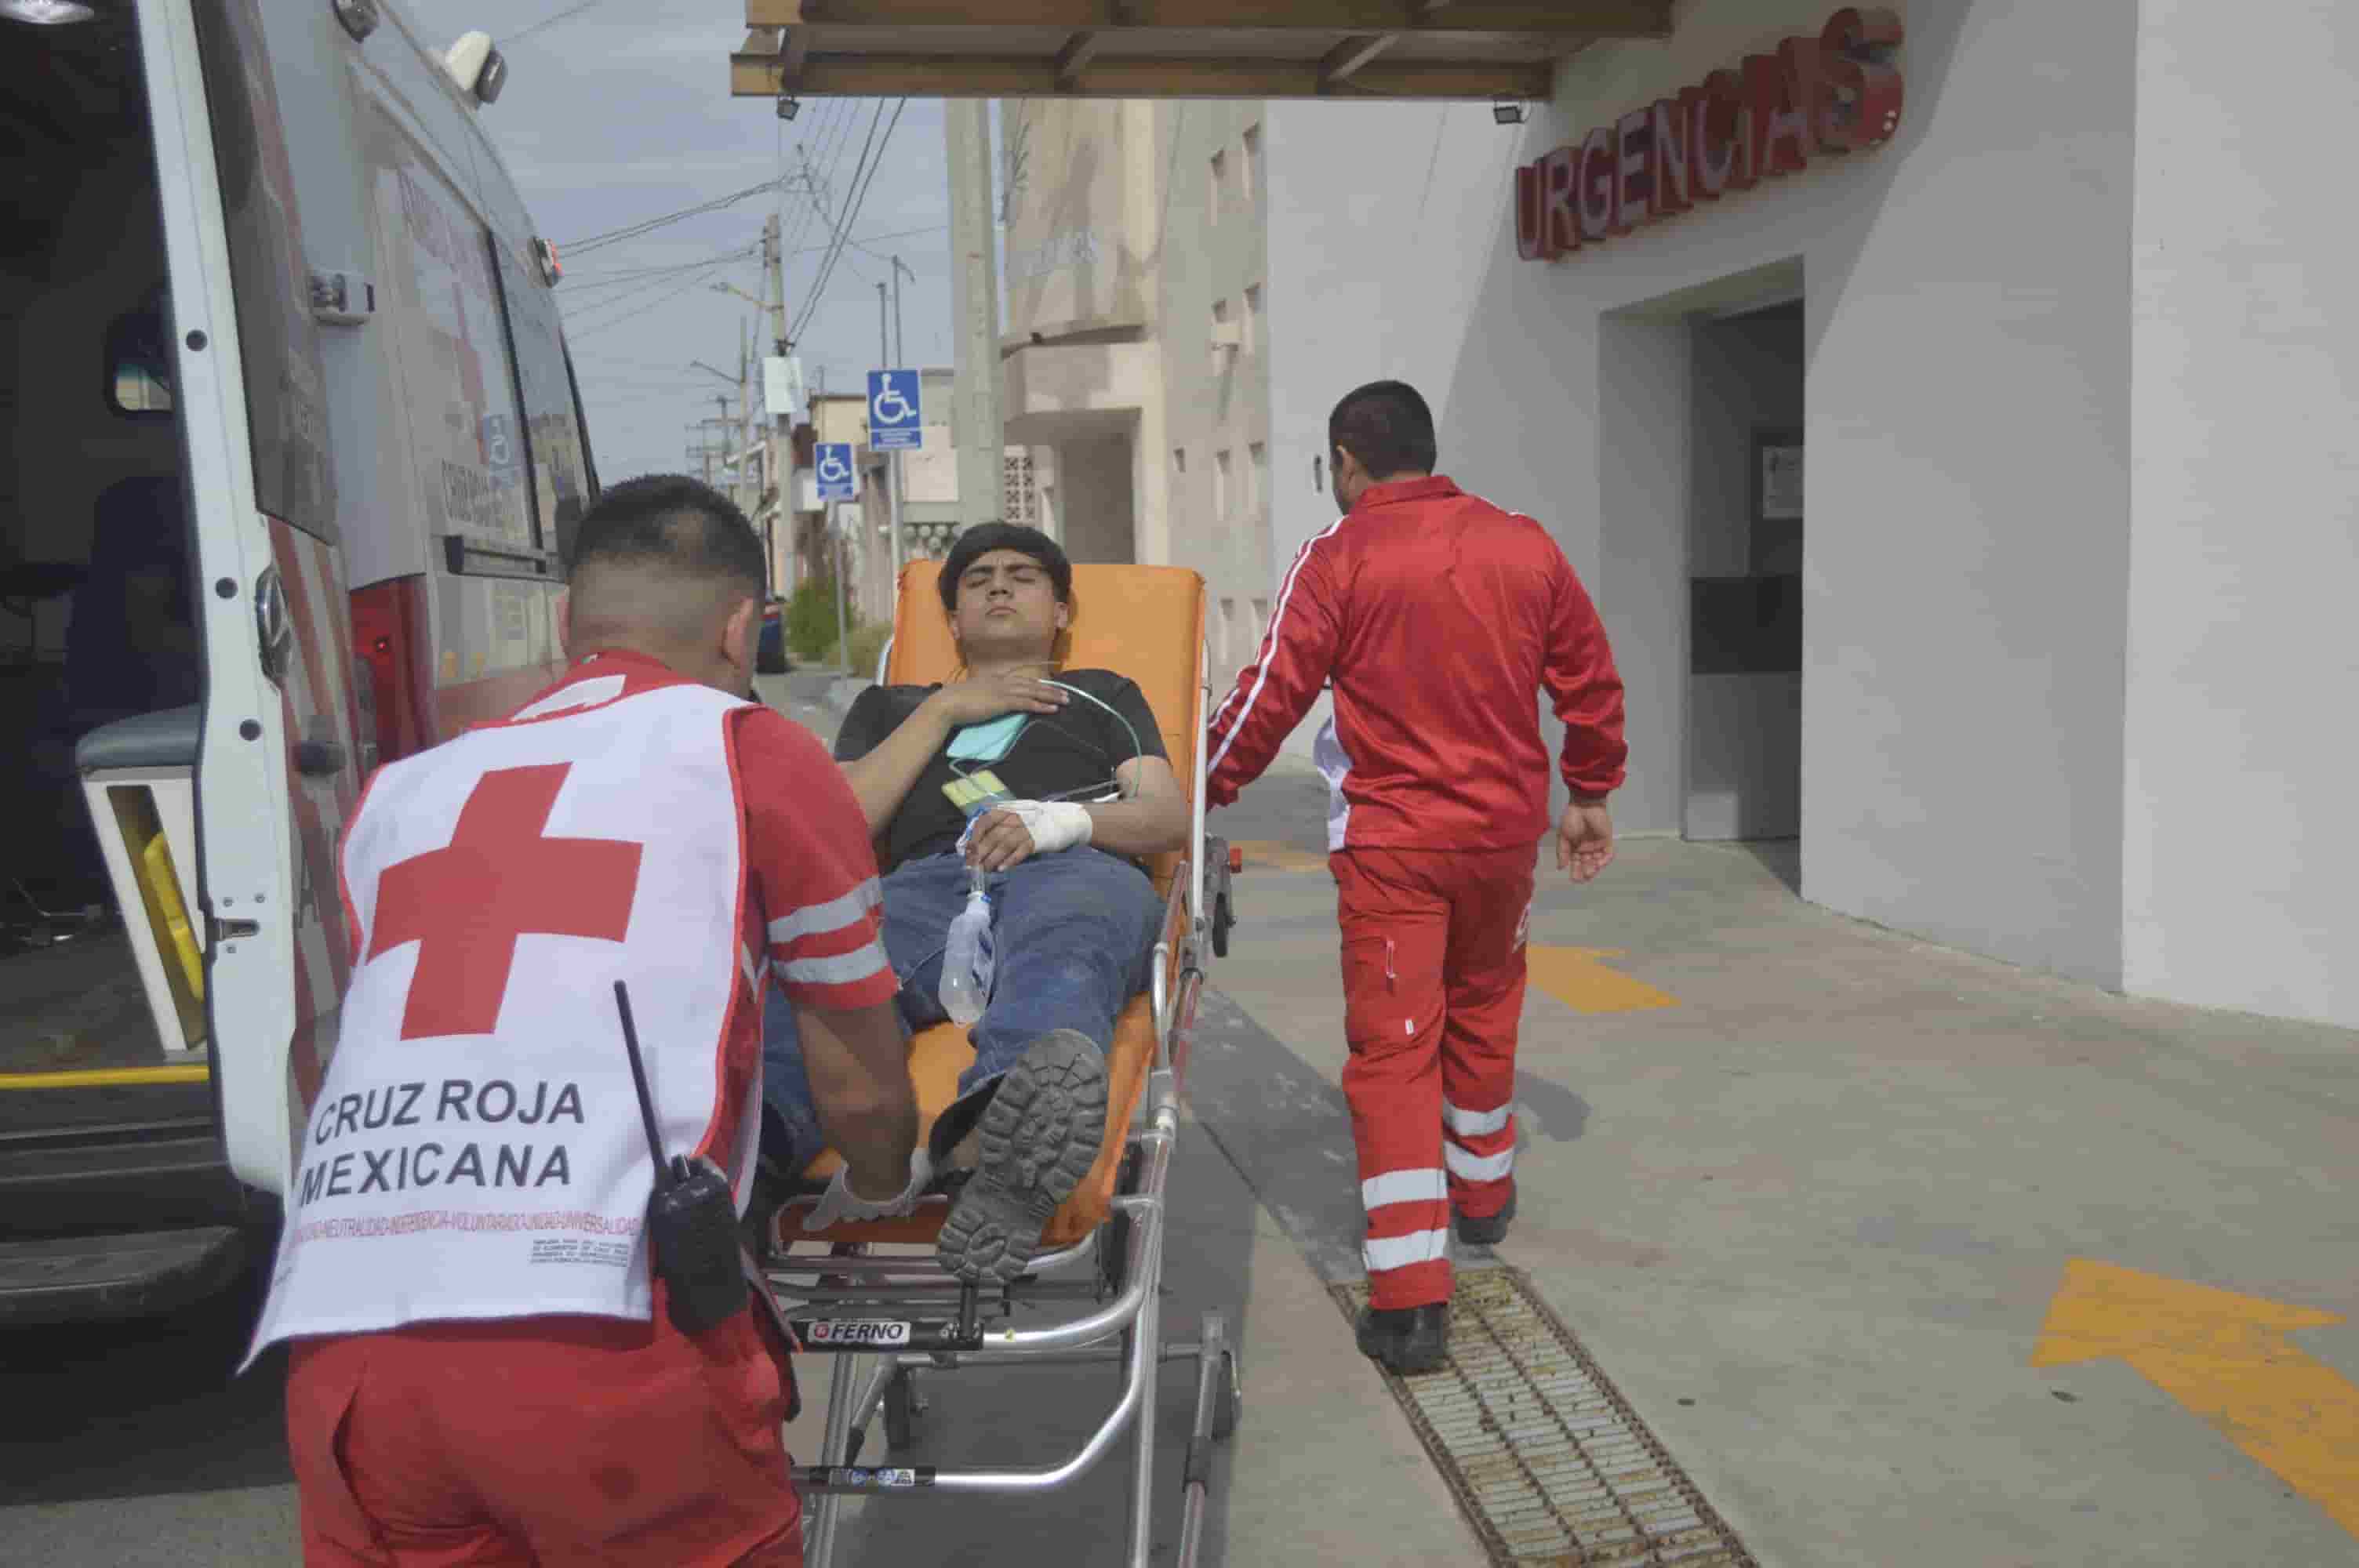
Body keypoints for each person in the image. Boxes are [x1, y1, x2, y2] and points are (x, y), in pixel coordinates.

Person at [249, 475, 922, 1566]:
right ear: (740, 628)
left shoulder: (407, 793)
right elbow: (857, 1080)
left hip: (347, 1341)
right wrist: (886, 1182)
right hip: (602, 1340)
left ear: (570, 623)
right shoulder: (751, 754)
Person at [1203, 380, 1627, 1375]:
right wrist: (1592, 788)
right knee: (1484, 1012)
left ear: (1346, 462)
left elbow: (1270, 694)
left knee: (1395, 1052)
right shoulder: (1524, 544)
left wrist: (1197, 789)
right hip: (1500, 844)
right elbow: (1588, 675)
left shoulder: (1339, 555)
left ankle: (1408, 1298)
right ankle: (1483, 1201)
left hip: (1394, 847)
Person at [758, 522, 1190, 1286]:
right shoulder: (892, 704)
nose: (997, 585)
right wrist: (945, 710)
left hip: (1073, 862)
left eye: (1022, 575)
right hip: (930, 878)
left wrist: (1060, 822)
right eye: (977, 577)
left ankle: (996, 1138)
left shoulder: (1100, 696)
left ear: (1060, 612)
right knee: (826, 969)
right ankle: (752, 1157)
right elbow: (842, 822)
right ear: (952, 620)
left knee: (1068, 939)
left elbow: (1162, 813)